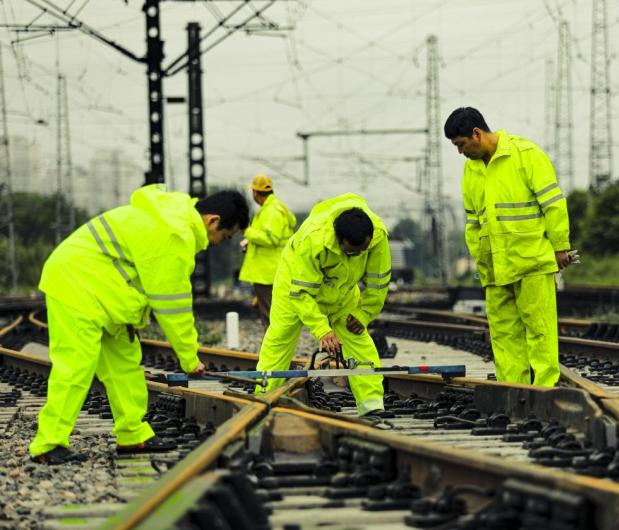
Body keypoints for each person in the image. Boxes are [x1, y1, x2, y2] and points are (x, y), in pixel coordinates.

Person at [29, 184, 250, 464]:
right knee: (76, 366)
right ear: (212, 220)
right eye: (224, 235)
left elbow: (139, 274)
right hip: (76, 283)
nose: (218, 242)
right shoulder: (175, 234)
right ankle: (48, 444)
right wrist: (189, 357)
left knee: (125, 367)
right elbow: (173, 305)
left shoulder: (170, 219)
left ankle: (133, 434)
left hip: (105, 291)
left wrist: (133, 314)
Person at [444, 107, 571, 387]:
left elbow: (553, 204)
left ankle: (545, 389)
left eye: (461, 145)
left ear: (476, 134)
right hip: (495, 267)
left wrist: (560, 247)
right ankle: (513, 389)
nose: (460, 152)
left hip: (532, 262)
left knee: (540, 330)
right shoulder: (471, 170)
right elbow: (473, 222)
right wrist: (480, 257)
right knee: (504, 334)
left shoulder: (526, 155)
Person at [256, 193, 390, 416]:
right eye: (350, 251)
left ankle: (371, 404)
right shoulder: (313, 240)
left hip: (342, 291)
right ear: (338, 239)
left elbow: (378, 283)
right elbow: (302, 294)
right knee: (280, 338)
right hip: (295, 285)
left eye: (360, 252)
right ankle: (264, 398)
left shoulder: (378, 237)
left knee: (358, 339)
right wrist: (322, 330)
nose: (355, 255)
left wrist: (364, 313)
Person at [239, 174, 297, 328]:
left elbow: (272, 239)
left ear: (255, 193)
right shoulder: (271, 209)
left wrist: (247, 231)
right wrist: (250, 242)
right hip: (269, 270)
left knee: (270, 315)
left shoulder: (272, 212)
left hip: (268, 272)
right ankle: (273, 348)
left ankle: (272, 350)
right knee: (269, 311)